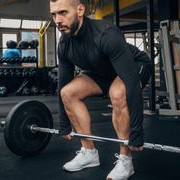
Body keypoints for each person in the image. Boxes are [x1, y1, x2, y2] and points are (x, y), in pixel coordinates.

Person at [49, 0, 152, 179]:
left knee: (118, 92)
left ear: (80, 10)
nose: (57, 20)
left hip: (135, 66)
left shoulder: (106, 34)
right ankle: (89, 153)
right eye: (53, 14)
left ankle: (126, 160)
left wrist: (137, 131)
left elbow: (132, 84)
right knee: (68, 93)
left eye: (63, 12)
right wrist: (64, 123)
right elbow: (62, 84)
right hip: (101, 71)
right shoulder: (64, 43)